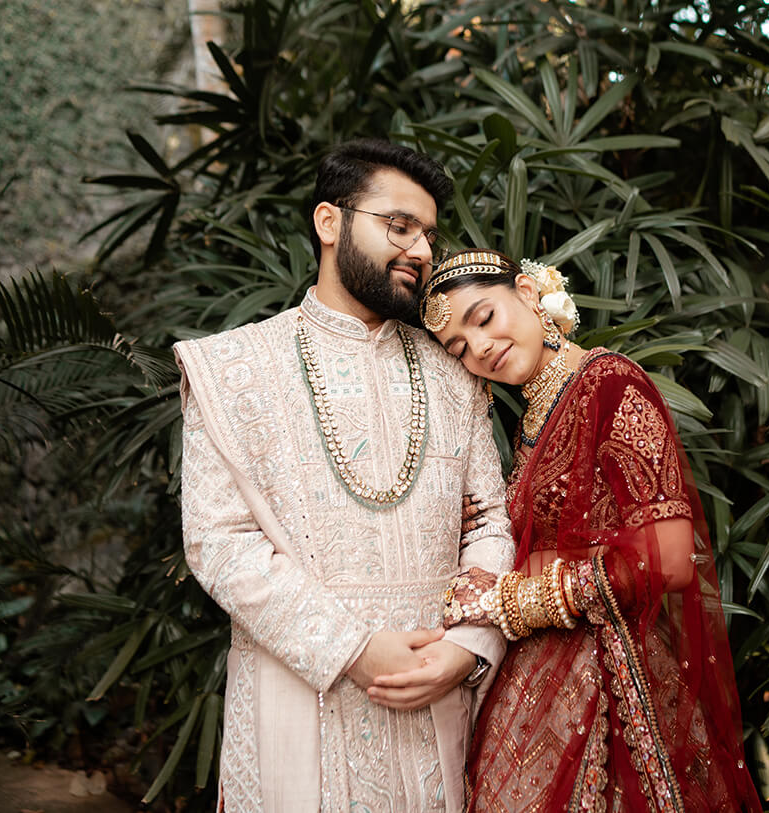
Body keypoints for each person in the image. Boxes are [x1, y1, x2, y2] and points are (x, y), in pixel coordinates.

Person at [174, 140, 514, 813]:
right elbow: (219, 543)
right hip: (299, 699)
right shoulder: (232, 369)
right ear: (329, 222)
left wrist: (470, 649)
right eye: (399, 226)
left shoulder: (456, 372)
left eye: (428, 234)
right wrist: (354, 648)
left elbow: (491, 523)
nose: (421, 249)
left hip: (437, 700)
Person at [404, 248, 763, 811]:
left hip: (612, 677)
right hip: (537, 682)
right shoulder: (530, 423)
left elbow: (668, 557)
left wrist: (523, 600)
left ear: (526, 292)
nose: (480, 349)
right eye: (459, 348)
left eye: (483, 319)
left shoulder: (613, 384)